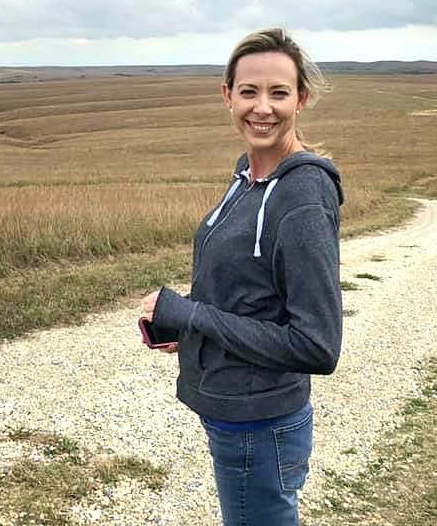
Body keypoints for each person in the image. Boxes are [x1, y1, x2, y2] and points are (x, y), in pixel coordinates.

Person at [140, 27, 343, 526]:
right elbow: (252, 292)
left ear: (301, 99)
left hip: (260, 422)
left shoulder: (302, 198)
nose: (263, 107)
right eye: (249, 91)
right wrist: (188, 328)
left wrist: (193, 315)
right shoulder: (247, 176)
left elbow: (317, 345)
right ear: (227, 96)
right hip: (237, 413)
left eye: (279, 93)